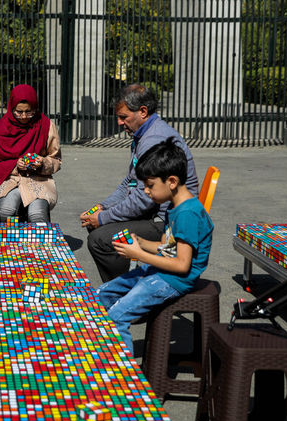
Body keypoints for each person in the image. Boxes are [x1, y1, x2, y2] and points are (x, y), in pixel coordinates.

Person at [96, 138, 214, 355]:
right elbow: (165, 246)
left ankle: (122, 372)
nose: (147, 191)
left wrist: (139, 254)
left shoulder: (187, 214)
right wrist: (140, 242)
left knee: (116, 317)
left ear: (171, 181)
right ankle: (94, 349)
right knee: (99, 295)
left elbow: (181, 265)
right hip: (160, 271)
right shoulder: (175, 206)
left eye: (150, 186)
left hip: (173, 280)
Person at [80, 84, 199, 283]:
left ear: (143, 112)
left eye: (123, 117)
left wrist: (103, 218)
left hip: (165, 220)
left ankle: (125, 288)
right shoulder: (143, 134)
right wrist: (103, 207)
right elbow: (130, 182)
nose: (119, 122)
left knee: (99, 239)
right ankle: (122, 286)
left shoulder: (154, 139)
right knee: (97, 226)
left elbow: (144, 198)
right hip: (154, 210)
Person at [0, 84, 62, 222]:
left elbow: (56, 159)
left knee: (37, 214)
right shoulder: (0, 130)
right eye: (19, 112)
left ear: (35, 108)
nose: (24, 116)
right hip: (10, 180)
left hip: (39, 180)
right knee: (5, 211)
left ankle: (39, 237)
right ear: (11, 108)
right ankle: (8, 237)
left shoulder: (46, 126)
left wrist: (43, 163)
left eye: (29, 111)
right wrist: (15, 165)